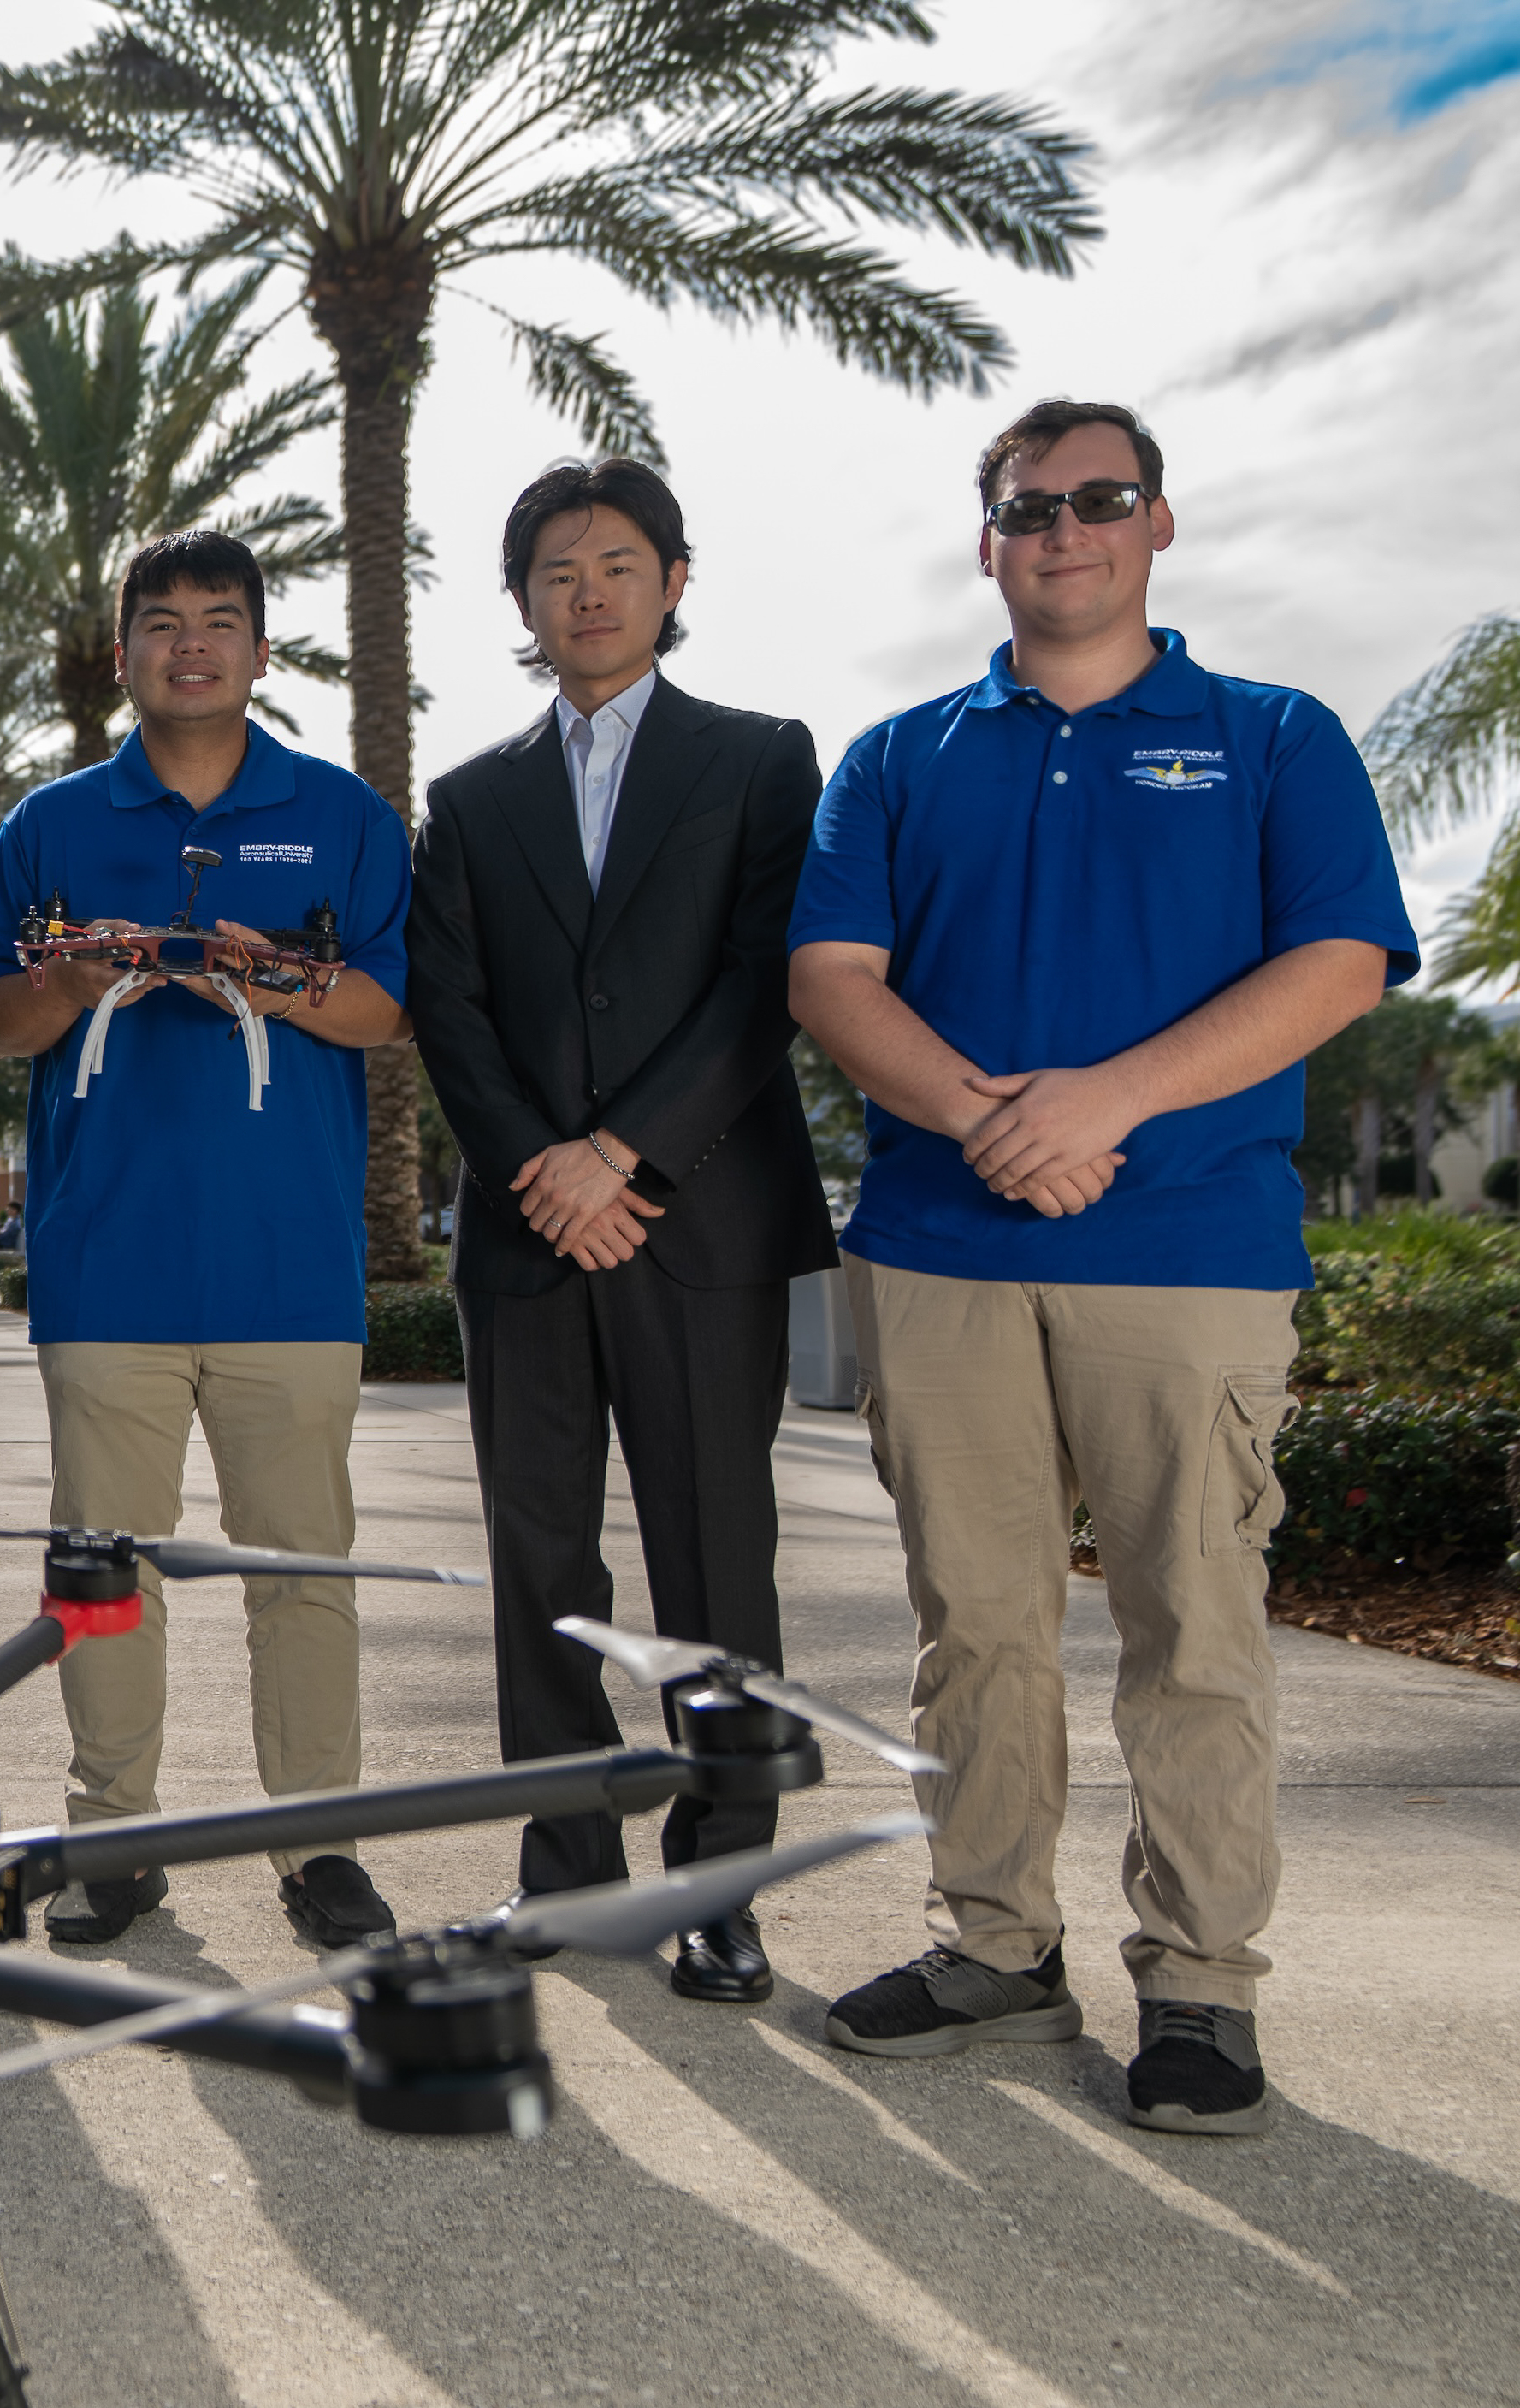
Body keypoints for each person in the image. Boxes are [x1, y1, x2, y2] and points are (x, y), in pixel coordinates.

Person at [789, 400, 1410, 2133]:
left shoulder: (1276, 737)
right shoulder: (902, 755)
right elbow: (834, 976)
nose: (1065, 530)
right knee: (972, 1628)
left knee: (1193, 1626)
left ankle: (1201, 1985)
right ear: (988, 538)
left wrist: (1103, 1106)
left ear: (1157, 524)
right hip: (939, 1249)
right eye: (1029, 506)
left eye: (1100, 499)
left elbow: (1342, 961)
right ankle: (994, 1942)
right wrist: (998, 1124)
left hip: (1189, 1248)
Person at [405, 459, 837, 2002]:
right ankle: (568, 1873)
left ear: (671, 582)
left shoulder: (762, 760)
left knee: (718, 1557)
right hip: (530, 1240)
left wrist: (625, 1156)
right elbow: (449, 1015)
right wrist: (546, 1170)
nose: (587, 591)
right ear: (521, 602)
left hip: (698, 1223)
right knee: (542, 1560)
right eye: (557, 571)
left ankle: (725, 1885)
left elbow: (763, 979)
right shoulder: (465, 800)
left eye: (617, 563)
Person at [0, 529, 417, 1948]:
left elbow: (387, 1013)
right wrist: (76, 977)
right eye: (161, 623)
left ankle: (316, 1846)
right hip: (108, 1268)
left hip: (291, 1270)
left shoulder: (343, 813)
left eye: (219, 621)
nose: (190, 645)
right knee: (110, 1580)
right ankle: (115, 1841)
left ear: (260, 649)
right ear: (126, 657)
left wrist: (278, 977)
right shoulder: (50, 821)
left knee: (302, 1577)